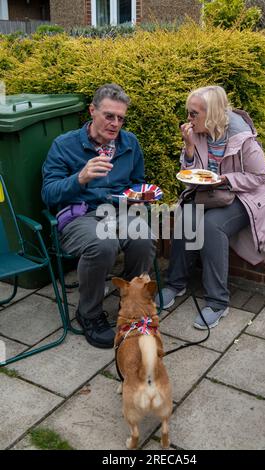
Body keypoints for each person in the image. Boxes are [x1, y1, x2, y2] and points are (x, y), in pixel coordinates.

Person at [42, 83, 156, 349]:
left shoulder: (129, 143)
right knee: (103, 243)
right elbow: (48, 194)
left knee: (143, 237)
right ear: (92, 111)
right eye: (109, 115)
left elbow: (137, 182)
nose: (115, 123)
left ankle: (130, 302)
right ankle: (89, 313)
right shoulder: (65, 145)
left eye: (120, 118)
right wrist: (79, 178)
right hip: (79, 216)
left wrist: (139, 195)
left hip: (116, 210)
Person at [156, 85, 265, 329]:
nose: (188, 119)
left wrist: (226, 179)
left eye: (193, 114)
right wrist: (188, 147)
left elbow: (260, 176)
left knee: (211, 226)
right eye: (189, 113)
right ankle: (175, 284)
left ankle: (218, 301)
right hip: (209, 195)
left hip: (243, 197)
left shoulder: (243, 139)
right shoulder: (197, 133)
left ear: (211, 115)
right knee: (187, 216)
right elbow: (188, 171)